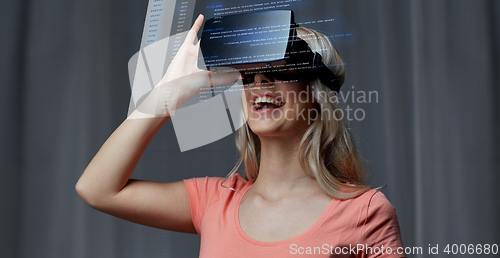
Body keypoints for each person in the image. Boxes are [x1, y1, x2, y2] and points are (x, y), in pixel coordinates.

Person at [76, 14, 406, 257]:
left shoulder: (365, 212)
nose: (260, 84)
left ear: (317, 94)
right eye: (248, 76)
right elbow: (97, 189)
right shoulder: (215, 201)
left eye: (278, 71)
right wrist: (169, 92)